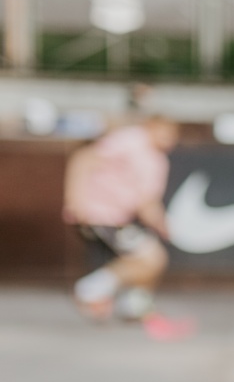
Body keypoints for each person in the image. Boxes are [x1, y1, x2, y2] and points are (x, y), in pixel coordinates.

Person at [63, 115, 179, 322]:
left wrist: (162, 223)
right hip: (101, 214)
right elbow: (84, 158)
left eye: (172, 135)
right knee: (151, 257)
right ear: (150, 127)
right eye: (164, 132)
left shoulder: (157, 160)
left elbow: (147, 202)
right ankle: (90, 290)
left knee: (150, 260)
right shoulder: (130, 141)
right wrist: (75, 200)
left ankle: (132, 305)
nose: (168, 139)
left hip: (119, 218)